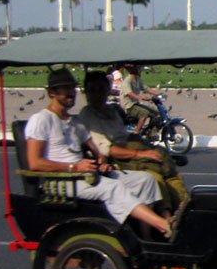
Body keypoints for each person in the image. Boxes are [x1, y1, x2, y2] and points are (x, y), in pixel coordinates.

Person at [25, 67, 176, 238]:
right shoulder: (41, 120)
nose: (70, 93)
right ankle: (163, 225)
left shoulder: (74, 121)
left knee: (146, 180)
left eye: (72, 88)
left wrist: (102, 162)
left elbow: (97, 151)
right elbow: (35, 162)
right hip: (62, 180)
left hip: (84, 175)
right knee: (112, 188)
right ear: (52, 93)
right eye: (65, 89)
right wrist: (74, 167)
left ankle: (146, 239)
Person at [78, 70, 190, 217]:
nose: (97, 95)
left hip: (130, 147)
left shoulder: (111, 110)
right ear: (86, 93)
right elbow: (108, 150)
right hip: (117, 159)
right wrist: (142, 153)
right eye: (92, 91)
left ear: (107, 90)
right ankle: (166, 217)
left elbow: (124, 134)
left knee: (169, 168)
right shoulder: (88, 114)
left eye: (101, 89)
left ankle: (183, 206)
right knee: (155, 177)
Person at [119, 62, 160, 133]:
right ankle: (136, 133)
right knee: (144, 113)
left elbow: (146, 88)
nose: (140, 70)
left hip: (136, 104)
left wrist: (157, 93)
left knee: (155, 112)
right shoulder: (127, 81)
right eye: (139, 68)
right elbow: (130, 93)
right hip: (129, 106)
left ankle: (150, 132)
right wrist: (141, 97)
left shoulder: (137, 79)